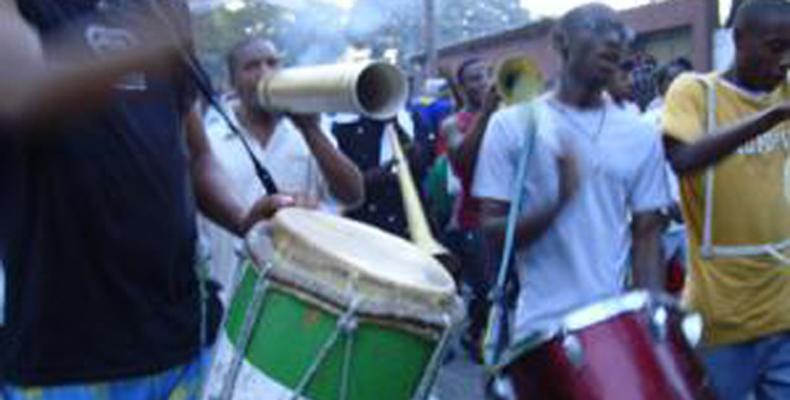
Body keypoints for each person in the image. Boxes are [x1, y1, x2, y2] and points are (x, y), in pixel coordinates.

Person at [0, 1, 292, 397]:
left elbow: (197, 156)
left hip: (182, 344)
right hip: (63, 363)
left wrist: (242, 218)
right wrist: (145, 42)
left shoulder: (152, 12)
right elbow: (19, 92)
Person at [474, 0, 671, 361]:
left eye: (619, 33)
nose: (612, 40)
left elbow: (647, 233)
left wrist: (652, 322)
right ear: (561, 42)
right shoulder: (513, 126)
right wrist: (558, 202)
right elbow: (491, 232)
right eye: (596, 29)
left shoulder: (639, 134)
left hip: (614, 329)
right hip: (539, 334)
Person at [661, 1, 790, 398]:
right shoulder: (695, 91)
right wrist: (771, 117)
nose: (784, 61)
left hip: (784, 315)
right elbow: (682, 158)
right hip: (722, 322)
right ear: (739, 40)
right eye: (775, 47)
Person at [200, 37, 364, 300]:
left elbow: (353, 195)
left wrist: (311, 129)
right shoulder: (210, 142)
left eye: (272, 63)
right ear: (230, 83)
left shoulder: (310, 133)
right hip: (230, 294)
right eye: (252, 66)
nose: (265, 73)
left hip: (301, 296)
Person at [441, 58, 499, 361]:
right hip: (472, 218)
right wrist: (487, 113)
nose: (484, 82)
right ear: (462, 88)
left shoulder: (508, 116)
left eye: (487, 75)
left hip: (509, 217)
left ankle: (481, 332)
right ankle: (475, 335)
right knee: (485, 289)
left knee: (501, 289)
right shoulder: (452, 124)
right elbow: (462, 162)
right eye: (475, 79)